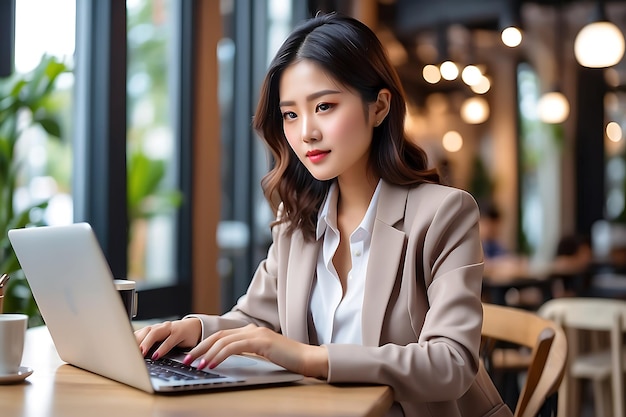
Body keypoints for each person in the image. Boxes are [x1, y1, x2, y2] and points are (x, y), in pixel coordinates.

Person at [135, 13, 512, 417]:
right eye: (291, 114)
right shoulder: (297, 218)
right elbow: (253, 319)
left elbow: (451, 362)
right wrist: (195, 329)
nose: (306, 133)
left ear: (379, 107)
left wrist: (311, 359)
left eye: (325, 106)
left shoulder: (443, 213)